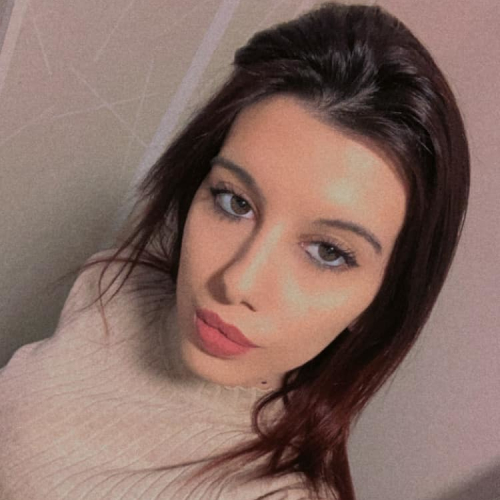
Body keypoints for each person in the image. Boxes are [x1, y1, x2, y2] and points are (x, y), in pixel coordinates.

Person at [0, 2, 470, 499]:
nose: (236, 282)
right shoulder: (113, 286)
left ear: (381, 301)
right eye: (234, 201)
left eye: (329, 251)